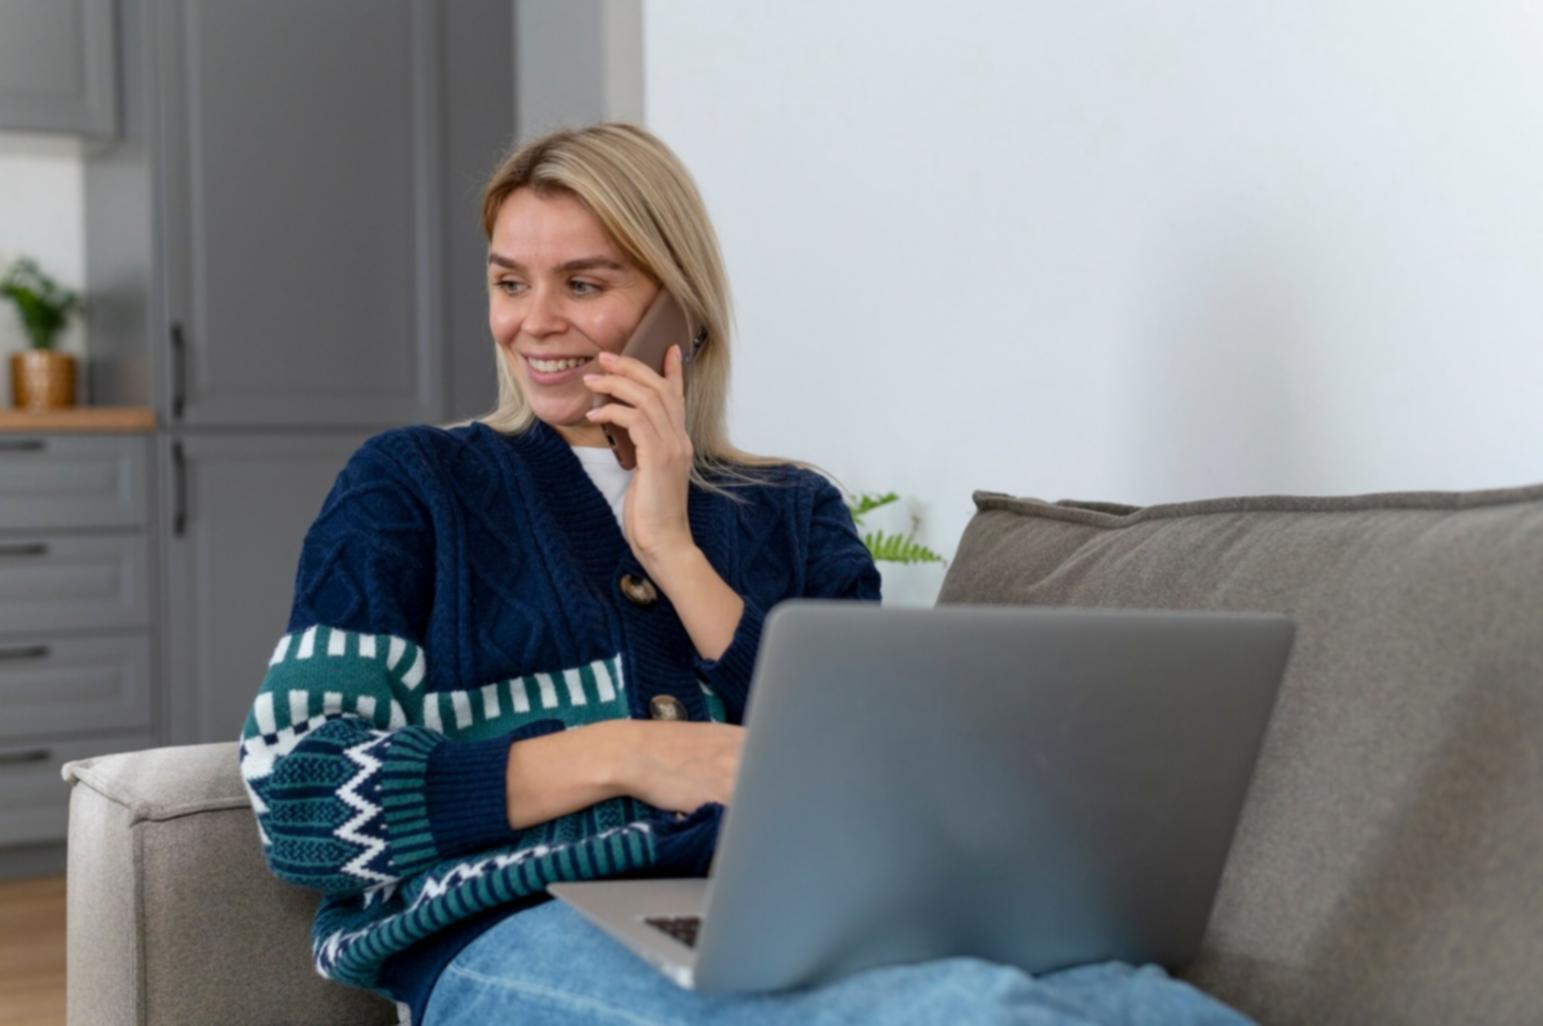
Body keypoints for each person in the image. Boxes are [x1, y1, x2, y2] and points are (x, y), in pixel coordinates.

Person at [238, 123, 1254, 1026]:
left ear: (676, 308)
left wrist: (672, 548)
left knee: (1136, 1001)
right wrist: (626, 753)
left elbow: (873, 776)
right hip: (510, 926)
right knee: (965, 1010)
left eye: (583, 285)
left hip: (789, 914)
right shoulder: (412, 486)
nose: (532, 324)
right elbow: (300, 800)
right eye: (510, 282)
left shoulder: (792, 509)